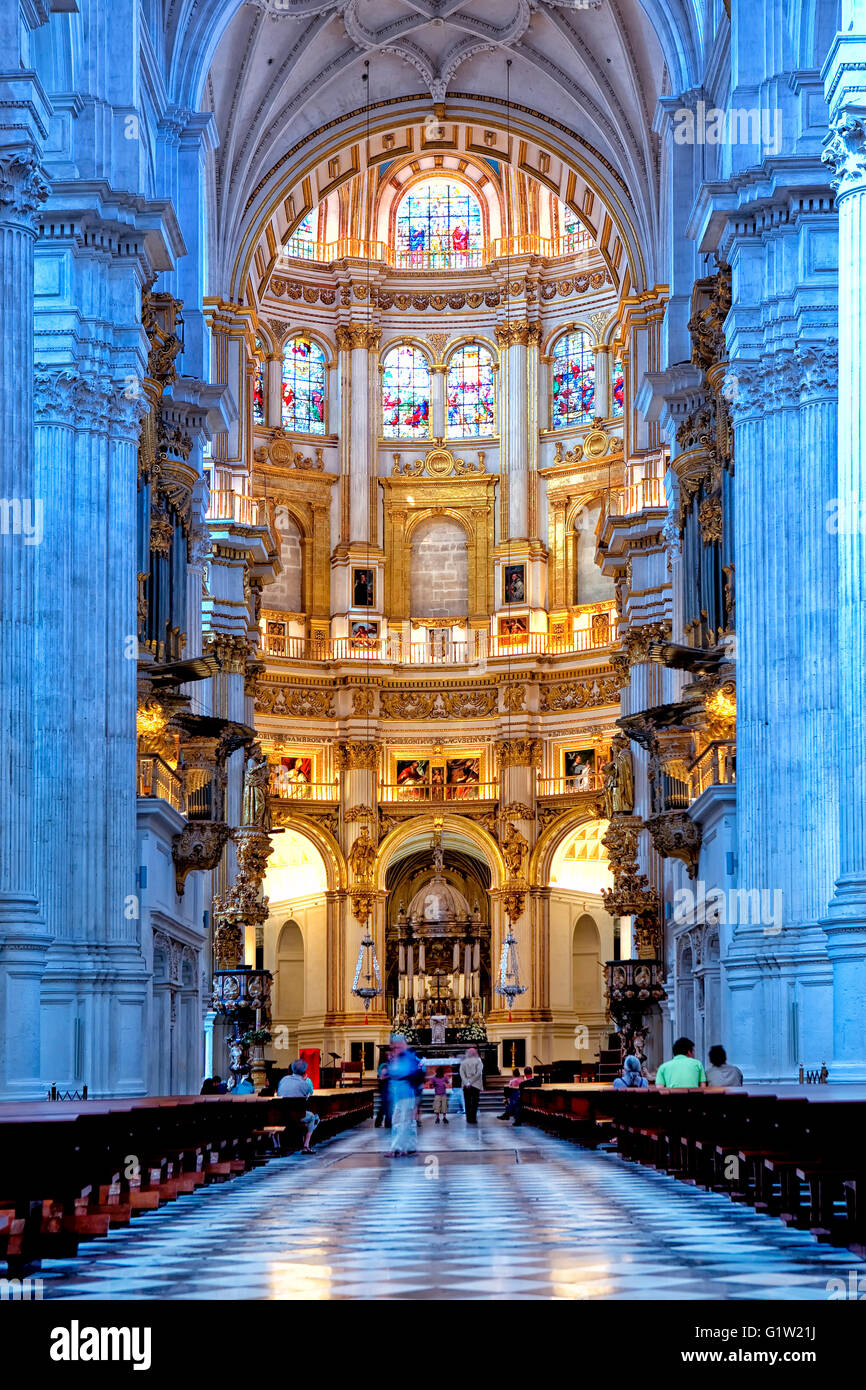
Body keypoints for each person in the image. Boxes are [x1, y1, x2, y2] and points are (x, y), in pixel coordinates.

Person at [276, 1058, 321, 1153]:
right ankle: (305, 1146)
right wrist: (304, 1081)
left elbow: (279, 1093)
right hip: (297, 1115)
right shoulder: (304, 1084)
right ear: (304, 1071)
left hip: (281, 1115)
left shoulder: (283, 1080)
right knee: (313, 1117)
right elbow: (308, 1096)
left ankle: (285, 1143)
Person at [387, 1037, 419, 1156]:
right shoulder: (403, 1057)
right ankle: (411, 1147)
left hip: (405, 1095)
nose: (394, 1048)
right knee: (407, 1122)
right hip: (401, 1095)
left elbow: (401, 1072)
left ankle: (397, 1148)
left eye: (396, 1046)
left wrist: (391, 1071)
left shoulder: (405, 1058)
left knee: (399, 1122)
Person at [460, 1045, 484, 1124]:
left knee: (467, 1102)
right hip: (476, 1085)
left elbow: (461, 1073)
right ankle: (473, 1118)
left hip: (466, 1085)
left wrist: (467, 1082)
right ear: (475, 1053)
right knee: (474, 1102)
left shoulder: (463, 1062)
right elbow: (479, 1073)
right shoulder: (478, 1061)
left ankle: (468, 1118)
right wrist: (471, 1081)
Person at [374, 1053, 392, 1128]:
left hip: (387, 1088)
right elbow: (382, 1077)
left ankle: (384, 1122)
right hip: (385, 1088)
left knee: (386, 1106)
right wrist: (391, 1075)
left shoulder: (388, 1065)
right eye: (390, 1056)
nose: (391, 1057)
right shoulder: (385, 1066)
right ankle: (385, 1123)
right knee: (385, 1106)